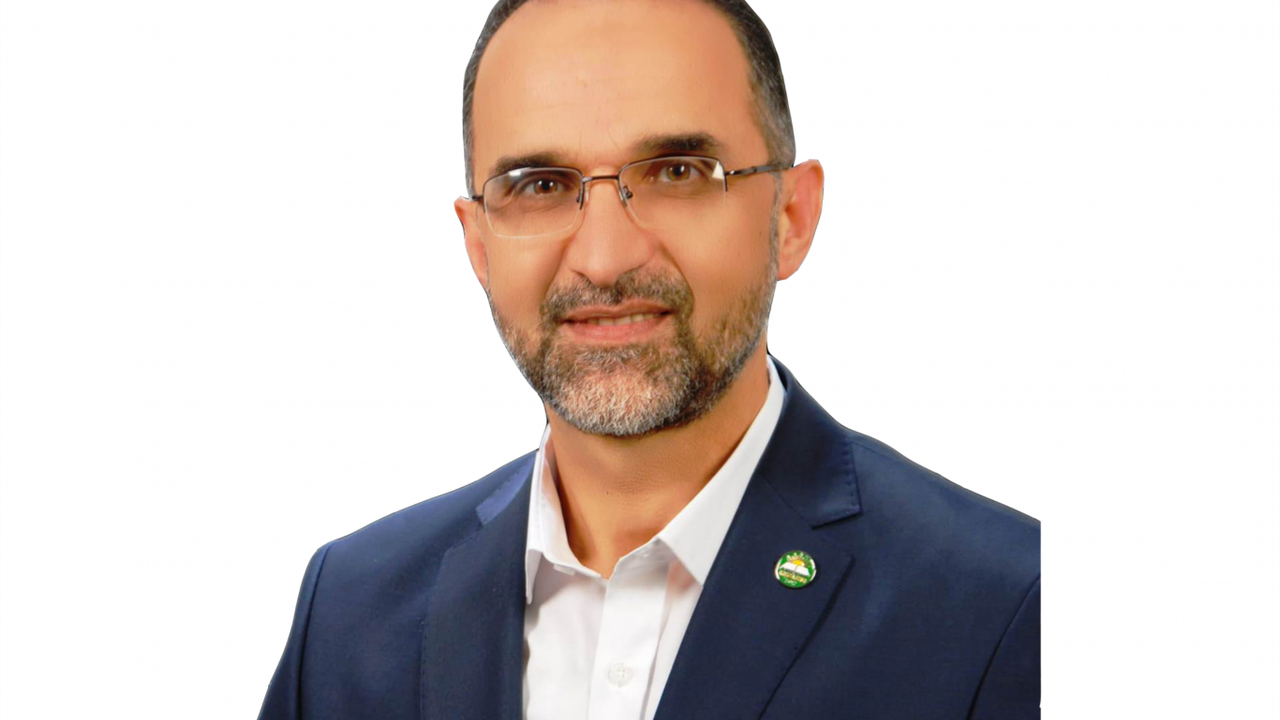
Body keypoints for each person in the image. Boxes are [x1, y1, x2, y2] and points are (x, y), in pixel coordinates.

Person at [257, 0, 1040, 718]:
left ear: (792, 216)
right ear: (479, 245)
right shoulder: (349, 614)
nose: (604, 258)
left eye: (677, 173)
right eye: (539, 184)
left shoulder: (1008, 610)